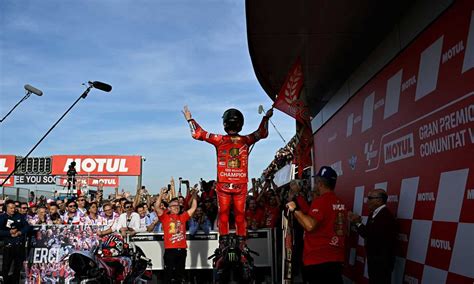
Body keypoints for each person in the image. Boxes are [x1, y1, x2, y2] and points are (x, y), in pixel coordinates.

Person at [183, 105, 272, 248]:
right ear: (241, 124)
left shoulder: (219, 139)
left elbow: (198, 133)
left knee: (223, 215)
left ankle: (223, 242)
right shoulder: (246, 140)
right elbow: (262, 132)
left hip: (223, 184)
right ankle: (242, 243)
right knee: (240, 216)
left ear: (225, 123)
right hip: (240, 184)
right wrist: (266, 117)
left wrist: (189, 119)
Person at [286, 166, 347, 284]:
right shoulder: (341, 202)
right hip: (336, 259)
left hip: (318, 260)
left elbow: (309, 225)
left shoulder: (321, 201)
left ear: (320, 183)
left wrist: (294, 210)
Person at [349, 189, 397, 284]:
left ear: (379, 200)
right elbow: (368, 233)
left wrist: (357, 223)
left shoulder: (385, 216)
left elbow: (369, 234)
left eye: (370, 198)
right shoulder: (374, 214)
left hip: (382, 262)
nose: (367, 201)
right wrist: (358, 223)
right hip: (374, 260)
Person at [156, 187, 197, 284]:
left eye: (178, 205)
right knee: (168, 274)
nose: (176, 207)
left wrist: (194, 195)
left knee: (180, 274)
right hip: (170, 250)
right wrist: (161, 194)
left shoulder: (182, 217)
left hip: (182, 250)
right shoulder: (165, 217)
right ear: (169, 208)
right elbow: (157, 207)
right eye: (173, 205)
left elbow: (193, 208)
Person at [0, 200, 30, 283]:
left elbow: (27, 226)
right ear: (6, 208)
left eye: (14, 208)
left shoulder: (19, 216)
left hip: (18, 245)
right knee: (6, 266)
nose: (13, 210)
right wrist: (9, 232)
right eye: (11, 208)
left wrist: (20, 232)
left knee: (17, 267)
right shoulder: (2, 218)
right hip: (7, 246)